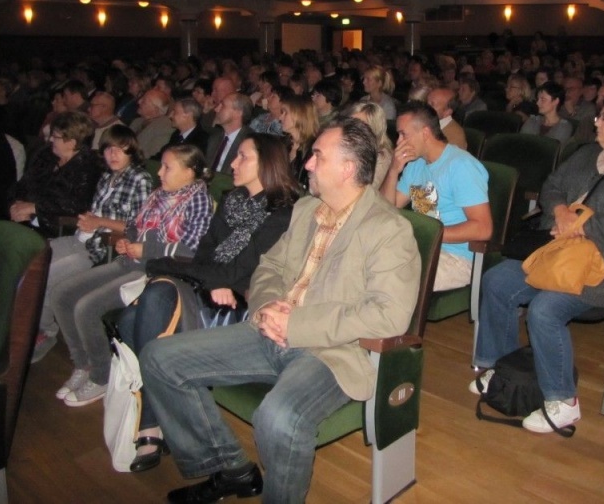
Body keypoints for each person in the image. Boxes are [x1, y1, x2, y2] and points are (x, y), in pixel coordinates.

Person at [141, 118, 420, 503]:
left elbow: (388, 315)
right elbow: (269, 267)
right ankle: (231, 469)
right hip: (268, 330)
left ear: (347, 168)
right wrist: (266, 308)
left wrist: (296, 324)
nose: (307, 163)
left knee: (279, 417)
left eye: (317, 156)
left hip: (331, 351)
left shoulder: (388, 229)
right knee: (159, 358)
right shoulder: (306, 209)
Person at [472, 93, 604, 432]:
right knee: (497, 281)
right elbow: (552, 186)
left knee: (545, 309)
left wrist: (582, 223)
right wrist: (561, 211)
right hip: (564, 255)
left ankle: (563, 401)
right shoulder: (588, 155)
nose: (596, 123)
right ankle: (499, 368)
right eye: (598, 116)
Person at [117, 133, 299, 472]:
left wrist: (188, 271)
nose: (233, 163)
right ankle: (163, 417)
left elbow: (242, 272)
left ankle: (150, 423)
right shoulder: (232, 200)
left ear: (266, 163)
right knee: (133, 318)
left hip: (239, 305)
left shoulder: (282, 214)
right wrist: (211, 278)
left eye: (243, 157)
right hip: (207, 288)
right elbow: (204, 256)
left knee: (146, 308)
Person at [49, 145, 213, 407]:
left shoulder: (199, 201)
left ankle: (101, 376)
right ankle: (83, 364)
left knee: (86, 308)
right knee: (61, 294)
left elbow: (191, 249)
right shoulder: (159, 194)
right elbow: (136, 227)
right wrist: (127, 241)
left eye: (167, 167)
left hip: (153, 272)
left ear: (189, 172)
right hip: (129, 262)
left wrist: (146, 249)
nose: (159, 172)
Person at [32, 125, 153, 363]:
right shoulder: (107, 177)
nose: (113, 154)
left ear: (131, 151)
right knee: (33, 261)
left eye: (120, 149)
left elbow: (138, 227)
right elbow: (97, 212)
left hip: (101, 249)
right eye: (108, 149)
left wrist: (99, 222)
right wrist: (89, 219)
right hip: (82, 238)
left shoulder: (140, 179)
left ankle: (44, 331)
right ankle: (24, 323)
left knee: (46, 276)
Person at [381, 102, 492, 291]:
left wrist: (429, 236)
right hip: (420, 247)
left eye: (403, 134)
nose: (399, 142)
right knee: (362, 260)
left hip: (456, 258)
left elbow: (483, 229)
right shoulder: (415, 164)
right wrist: (393, 170)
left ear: (425, 133)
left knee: (388, 277)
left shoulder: (461, 166)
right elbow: (386, 209)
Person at [9, 111, 101, 238]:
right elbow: (24, 184)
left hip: (56, 229)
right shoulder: (45, 154)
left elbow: (75, 206)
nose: (51, 139)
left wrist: (35, 208)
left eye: (55, 136)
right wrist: (16, 204)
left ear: (71, 142)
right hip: (25, 220)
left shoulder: (89, 167)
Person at [343, 100, 394, 189]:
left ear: (374, 128)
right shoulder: (348, 143)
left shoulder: (382, 156)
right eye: (351, 122)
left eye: (359, 124)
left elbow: (368, 190)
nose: (353, 127)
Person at [206, 92, 253, 174]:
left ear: (238, 113)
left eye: (223, 106)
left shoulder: (250, 142)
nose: (216, 109)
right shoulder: (214, 138)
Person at [280, 94, 319, 191]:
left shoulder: (314, 149)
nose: (280, 118)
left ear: (299, 115)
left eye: (285, 113)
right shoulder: (283, 142)